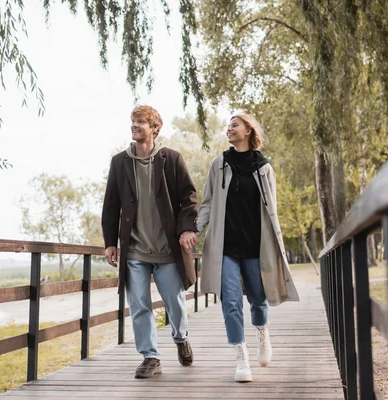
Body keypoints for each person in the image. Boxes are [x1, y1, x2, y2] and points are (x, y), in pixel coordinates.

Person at [192, 113, 299, 382]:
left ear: (249, 131)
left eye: (235, 125)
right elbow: (206, 203)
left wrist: (278, 242)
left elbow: (271, 211)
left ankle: (262, 333)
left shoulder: (264, 168)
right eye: (228, 126)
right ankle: (241, 357)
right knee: (230, 302)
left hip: (256, 247)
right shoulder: (218, 165)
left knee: (258, 301)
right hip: (225, 246)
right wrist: (194, 231)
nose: (229, 129)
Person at [101, 104, 198, 379]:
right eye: (133, 121)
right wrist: (110, 241)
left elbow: (188, 200)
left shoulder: (172, 159)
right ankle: (150, 356)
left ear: (154, 129)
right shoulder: (120, 162)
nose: (135, 126)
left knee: (174, 302)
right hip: (135, 250)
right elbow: (111, 204)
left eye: (141, 122)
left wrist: (187, 229)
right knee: (139, 304)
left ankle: (181, 338)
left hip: (167, 248)